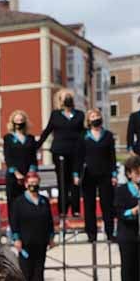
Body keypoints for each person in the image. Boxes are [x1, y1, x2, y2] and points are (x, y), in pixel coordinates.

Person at [37, 89, 85, 217]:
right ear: (60, 101)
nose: (67, 99)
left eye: (69, 96)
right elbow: (47, 131)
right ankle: (62, 210)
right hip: (60, 152)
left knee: (75, 181)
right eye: (64, 97)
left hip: (75, 152)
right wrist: (37, 145)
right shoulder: (56, 115)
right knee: (62, 181)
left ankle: (75, 210)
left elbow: (83, 133)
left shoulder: (80, 115)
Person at [10, 171, 55, 281]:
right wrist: (16, 238)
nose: (33, 186)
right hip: (25, 240)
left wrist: (51, 237)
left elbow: (50, 221)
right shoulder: (19, 202)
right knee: (26, 268)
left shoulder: (43, 201)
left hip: (41, 240)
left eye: (35, 183)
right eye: (31, 183)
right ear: (26, 184)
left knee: (39, 267)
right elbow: (14, 221)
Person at [81, 107, 118, 241]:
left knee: (107, 204)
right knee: (89, 205)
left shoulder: (108, 135)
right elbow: (79, 156)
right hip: (88, 174)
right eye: (92, 116)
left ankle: (110, 232)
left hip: (105, 173)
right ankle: (91, 234)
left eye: (97, 115)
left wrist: (114, 174)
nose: (95, 118)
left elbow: (112, 156)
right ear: (88, 120)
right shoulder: (84, 136)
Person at [3, 109, 39, 234]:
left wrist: (31, 173)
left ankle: (29, 228)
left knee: (29, 202)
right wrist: (16, 173)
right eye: (17, 120)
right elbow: (8, 157)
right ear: (12, 122)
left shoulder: (30, 138)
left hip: (28, 177)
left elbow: (33, 158)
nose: (19, 123)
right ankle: (14, 231)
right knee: (13, 204)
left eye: (21, 120)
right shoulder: (8, 138)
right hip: (14, 176)